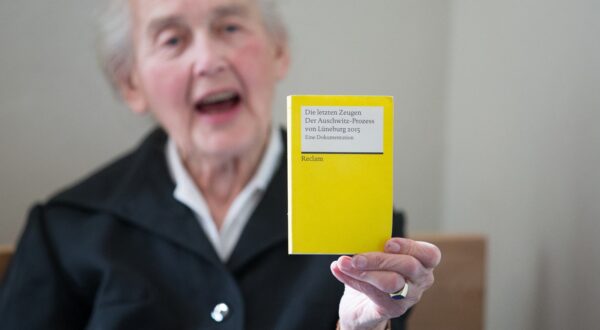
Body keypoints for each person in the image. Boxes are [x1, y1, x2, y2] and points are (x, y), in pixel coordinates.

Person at [0, 0, 441, 329]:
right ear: (131, 82)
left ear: (279, 51)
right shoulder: (63, 230)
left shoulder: (364, 225)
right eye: (172, 39)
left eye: (230, 26)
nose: (209, 61)